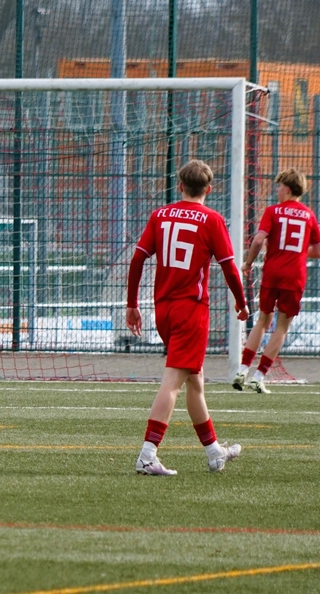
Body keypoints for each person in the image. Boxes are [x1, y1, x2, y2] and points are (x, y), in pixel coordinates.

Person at [126, 160, 247, 475]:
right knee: (173, 383)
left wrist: (131, 304)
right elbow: (229, 267)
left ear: (179, 186)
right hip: (191, 310)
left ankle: (213, 452)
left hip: (163, 309)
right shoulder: (211, 219)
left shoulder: (160, 215)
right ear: (209, 189)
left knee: (196, 381)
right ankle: (147, 454)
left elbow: (138, 257)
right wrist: (242, 302)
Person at [234, 168, 320, 394]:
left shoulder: (273, 211)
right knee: (282, 327)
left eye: (278, 185)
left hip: (272, 273)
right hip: (294, 276)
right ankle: (259, 375)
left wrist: (248, 262)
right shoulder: (309, 215)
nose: (276, 189)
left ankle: (242, 369)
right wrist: (299, 252)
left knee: (262, 321)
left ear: (287, 188)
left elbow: (258, 240)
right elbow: (319, 250)